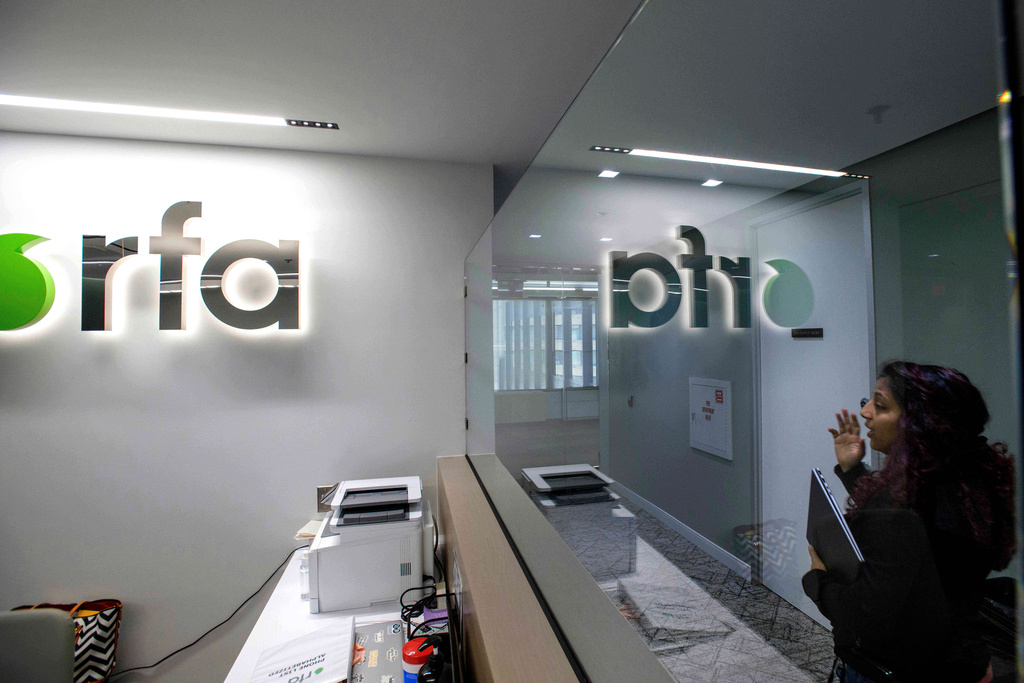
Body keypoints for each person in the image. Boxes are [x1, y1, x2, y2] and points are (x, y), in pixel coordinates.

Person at [803, 360, 1016, 683]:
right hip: (960, 658)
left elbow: (866, 614)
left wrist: (817, 581)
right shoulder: (970, 481)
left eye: (880, 405)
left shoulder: (902, 510)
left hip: (896, 666)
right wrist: (853, 470)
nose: (865, 412)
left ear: (920, 422)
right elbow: (914, 533)